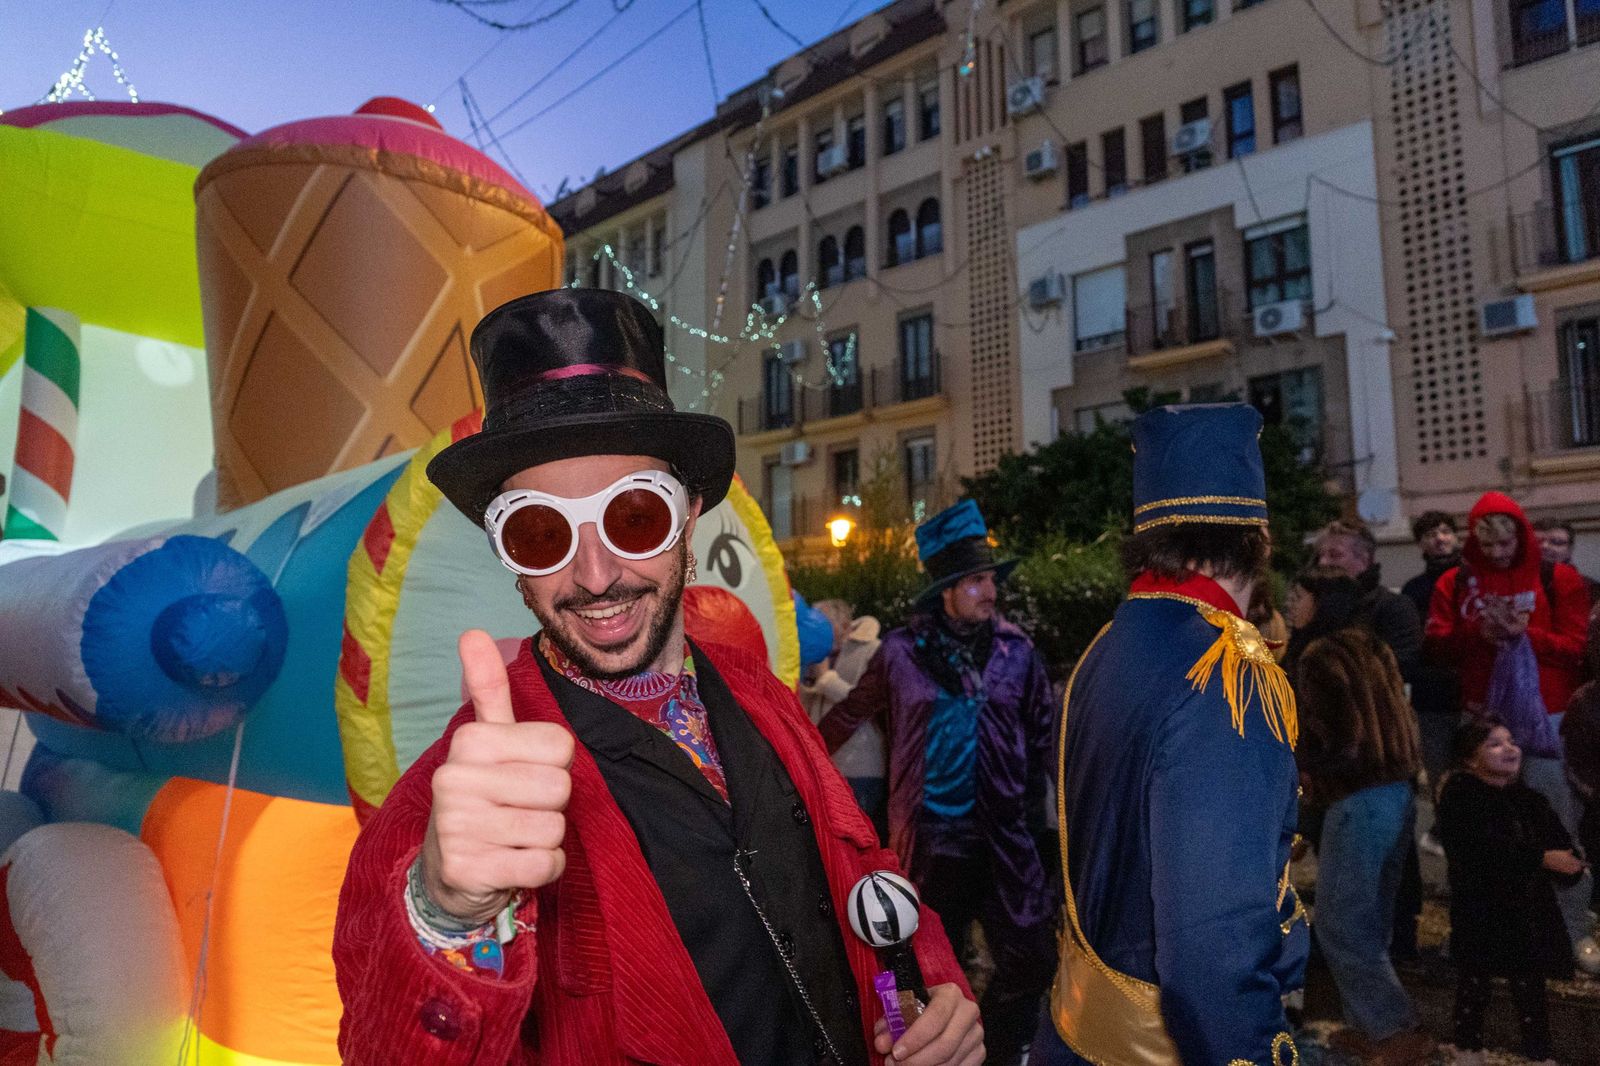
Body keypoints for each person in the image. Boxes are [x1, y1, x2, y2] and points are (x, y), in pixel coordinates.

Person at [333, 289, 981, 1066]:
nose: (597, 575)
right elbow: (385, 1045)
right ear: (506, 553)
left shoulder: (756, 693)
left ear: (688, 514)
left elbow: (860, 869)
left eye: (632, 515)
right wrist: (445, 916)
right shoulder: (459, 795)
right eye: (541, 533)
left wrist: (935, 986)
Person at [1032, 403, 1308, 1066]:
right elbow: (1214, 947)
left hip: (1073, 1033)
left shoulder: (1108, 643)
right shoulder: (1228, 673)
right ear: (1259, 537)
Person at [818, 499, 1056, 1066]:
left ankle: (999, 1049)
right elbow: (851, 714)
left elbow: (1046, 737)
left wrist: (1064, 817)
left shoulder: (1016, 652)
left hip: (1005, 838)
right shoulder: (900, 653)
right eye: (976, 581)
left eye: (991, 580)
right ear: (947, 590)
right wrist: (791, 763)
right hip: (928, 839)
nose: (991, 591)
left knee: (1032, 957)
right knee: (919, 965)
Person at [1424, 491, 1596, 972]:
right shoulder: (1456, 582)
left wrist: (1525, 633)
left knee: (1555, 825)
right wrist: (1476, 634)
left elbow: (1576, 647)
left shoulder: (1557, 578)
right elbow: (1436, 646)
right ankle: (1487, 934)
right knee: (1477, 832)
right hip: (1480, 720)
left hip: (1545, 719)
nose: (1499, 554)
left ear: (1521, 537)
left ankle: (1571, 932)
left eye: (1507, 545)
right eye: (1489, 546)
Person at [1294, 629, 1431, 1064]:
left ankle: (1393, 1029)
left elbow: (1344, 739)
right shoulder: (1372, 649)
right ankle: (1373, 1028)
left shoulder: (1323, 658)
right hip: (1393, 789)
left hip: (1357, 796)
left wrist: (1306, 765)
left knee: (1341, 922)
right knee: (1369, 918)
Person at [1436, 719, 1585, 1065]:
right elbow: (1481, 851)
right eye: (1494, 744)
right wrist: (1542, 859)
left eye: (1511, 740)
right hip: (1482, 909)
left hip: (1527, 913)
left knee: (1531, 987)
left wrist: (1570, 864)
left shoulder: (1529, 800)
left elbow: (1558, 843)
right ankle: (1468, 1049)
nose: (1509, 748)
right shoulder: (1462, 797)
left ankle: (1538, 1052)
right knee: (1475, 982)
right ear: (1471, 759)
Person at [800, 600, 887, 841]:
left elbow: (867, 701)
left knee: (858, 841)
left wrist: (826, 678)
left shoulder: (872, 650)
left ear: (845, 625)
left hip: (860, 767)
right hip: (824, 766)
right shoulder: (820, 654)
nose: (817, 634)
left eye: (823, 627)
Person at [1400, 511, 1464, 796]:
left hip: (1474, 692)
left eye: (1445, 531)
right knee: (1441, 777)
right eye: (1430, 534)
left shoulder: (1473, 579)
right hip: (1433, 696)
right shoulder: (1414, 590)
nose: (1440, 539)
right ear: (1420, 544)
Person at [1315, 518, 1424, 685]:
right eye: (1321, 555)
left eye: (1335, 555)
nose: (1323, 562)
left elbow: (1398, 667)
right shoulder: (1315, 606)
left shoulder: (1394, 607)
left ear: (1364, 560)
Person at [1534, 518, 1599, 606]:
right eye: (1537, 542)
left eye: (1556, 542)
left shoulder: (1590, 588)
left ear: (1570, 549)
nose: (1545, 546)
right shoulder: (1515, 585)